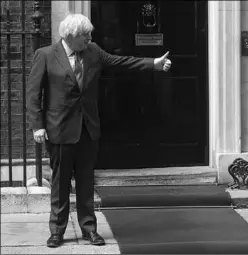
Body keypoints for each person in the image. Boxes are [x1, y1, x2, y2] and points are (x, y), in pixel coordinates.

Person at [26, 13, 171, 248]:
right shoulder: (45, 55)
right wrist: (38, 126)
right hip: (59, 129)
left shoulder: (93, 51)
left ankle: (89, 229)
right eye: (86, 35)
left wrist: (153, 64)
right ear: (71, 36)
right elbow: (33, 95)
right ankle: (57, 230)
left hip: (87, 129)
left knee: (85, 182)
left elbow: (121, 62)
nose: (90, 39)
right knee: (60, 184)